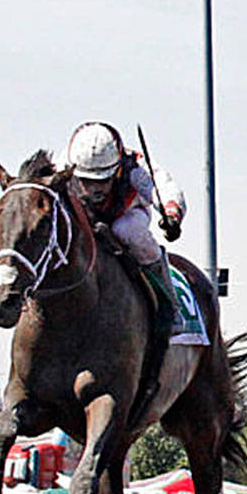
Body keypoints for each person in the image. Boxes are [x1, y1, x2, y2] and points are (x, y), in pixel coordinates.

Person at [65, 122, 187, 344]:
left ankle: (169, 304)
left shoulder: (135, 166)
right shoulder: (66, 169)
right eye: (87, 181)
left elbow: (162, 186)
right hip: (86, 218)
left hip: (128, 213)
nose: (95, 189)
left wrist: (172, 215)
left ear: (117, 167)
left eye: (103, 180)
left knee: (127, 230)